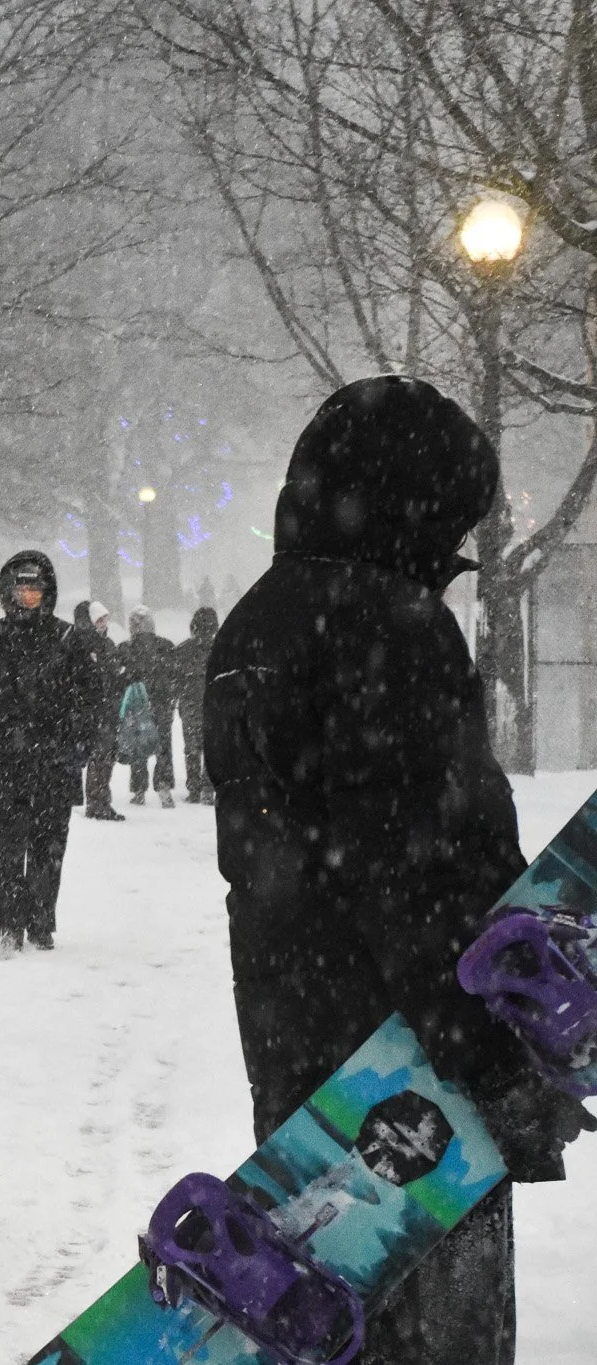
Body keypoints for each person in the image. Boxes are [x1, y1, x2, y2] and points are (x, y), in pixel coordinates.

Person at [205, 376, 594, 1365]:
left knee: (340, 1321)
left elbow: (282, 860)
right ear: (404, 500)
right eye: (449, 521)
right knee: (438, 1332)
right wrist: (494, 1064)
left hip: (296, 1041)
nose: (455, 557)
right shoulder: (389, 622)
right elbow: (413, 880)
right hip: (417, 1066)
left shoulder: (251, 628)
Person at [0, 552, 98, 952]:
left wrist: (76, 740)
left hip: (55, 759)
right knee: (8, 846)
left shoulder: (69, 639)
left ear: (46, 592)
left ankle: (40, 923)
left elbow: (91, 697)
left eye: (35, 588)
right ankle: (7, 924)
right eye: (22, 587)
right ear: (9, 591)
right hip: (5, 758)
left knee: (49, 847)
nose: (28, 595)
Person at [114, 606, 177, 808]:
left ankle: (139, 790)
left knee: (138, 746)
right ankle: (164, 786)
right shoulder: (166, 646)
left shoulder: (125, 648)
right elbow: (174, 675)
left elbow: (120, 678)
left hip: (138, 706)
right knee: (164, 746)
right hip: (162, 703)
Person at [71, 599, 125, 821]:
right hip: (93, 710)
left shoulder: (106, 644)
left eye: (105, 620)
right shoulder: (83, 645)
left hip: (106, 708)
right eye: (99, 620)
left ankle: (101, 801)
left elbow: (111, 675)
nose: (104, 624)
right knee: (99, 758)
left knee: (105, 757)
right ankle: (97, 802)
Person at [170, 606, 218, 805]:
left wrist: (174, 699)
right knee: (211, 747)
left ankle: (194, 788)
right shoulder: (221, 647)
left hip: (190, 703)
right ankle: (208, 787)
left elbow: (175, 679)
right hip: (214, 704)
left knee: (191, 748)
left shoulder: (182, 649)